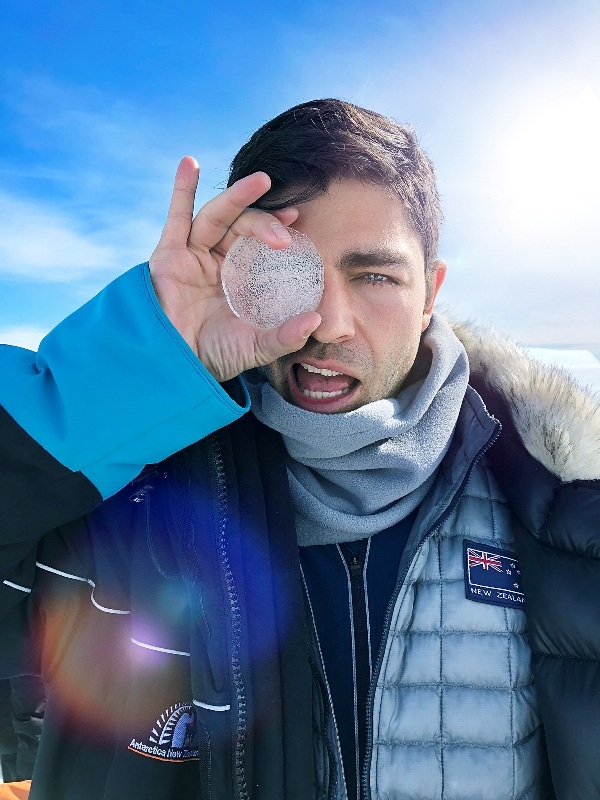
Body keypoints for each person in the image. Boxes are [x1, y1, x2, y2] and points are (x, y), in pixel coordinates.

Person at [0, 99, 598, 800]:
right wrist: (143, 357)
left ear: (430, 292)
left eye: (375, 276)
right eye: (289, 275)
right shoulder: (127, 486)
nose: (325, 323)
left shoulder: (559, 507)